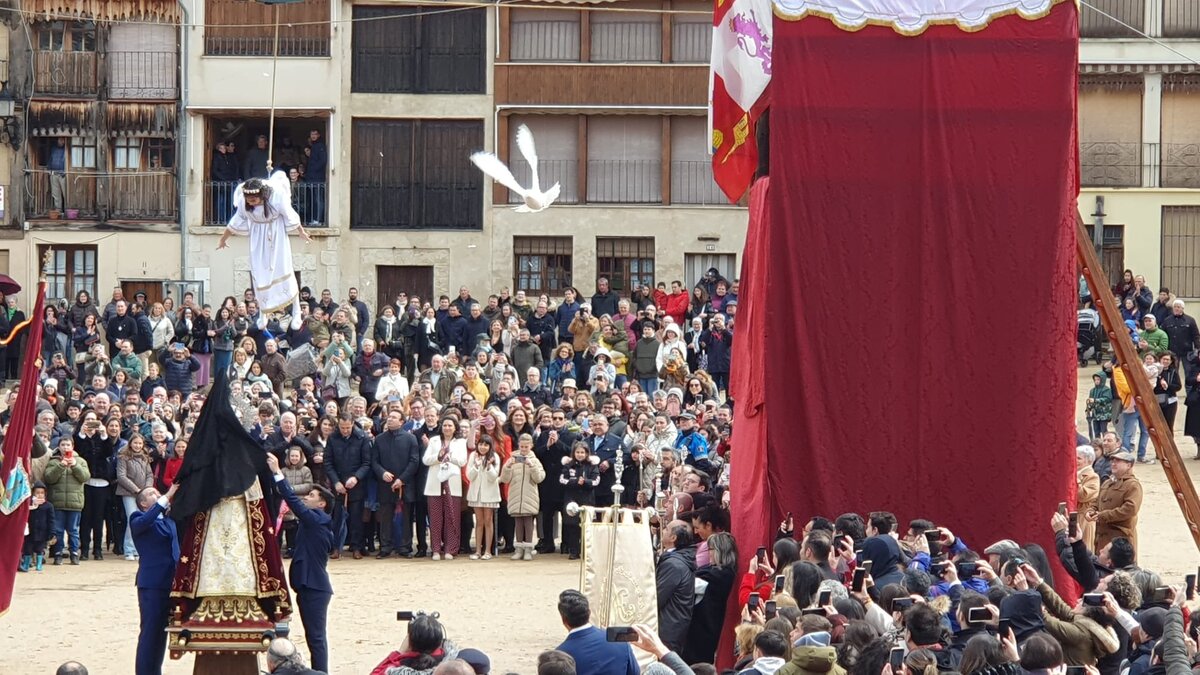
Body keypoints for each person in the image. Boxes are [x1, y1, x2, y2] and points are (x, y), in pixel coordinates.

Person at [267, 452, 335, 674]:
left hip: (314, 587)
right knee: (313, 637)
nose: (307, 497)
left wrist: (278, 473)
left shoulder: (317, 520)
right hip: (311, 586)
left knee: (316, 638)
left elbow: (295, 503)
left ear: (322, 503)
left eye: (312, 495)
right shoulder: (318, 521)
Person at [217, 174, 312, 331]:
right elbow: (235, 220)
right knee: (260, 275)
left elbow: (290, 215)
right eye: (249, 199)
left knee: (284, 269)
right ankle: (264, 312)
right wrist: (223, 239)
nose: (250, 202)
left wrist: (301, 232)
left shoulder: (276, 198)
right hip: (257, 237)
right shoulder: (243, 202)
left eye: (254, 199)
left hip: (277, 234)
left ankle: (296, 311)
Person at [130, 483, 181, 675]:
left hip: (170, 582)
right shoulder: (138, 518)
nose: (157, 494)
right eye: (152, 493)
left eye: (157, 492)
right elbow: (146, 521)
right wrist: (167, 495)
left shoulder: (169, 521)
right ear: (143, 503)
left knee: (162, 634)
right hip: (151, 583)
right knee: (150, 632)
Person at [371, 410, 421, 558]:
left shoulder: (410, 438)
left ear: (401, 421)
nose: (390, 419)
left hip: (405, 484)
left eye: (394, 417)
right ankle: (385, 546)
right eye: (389, 417)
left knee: (406, 517)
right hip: (385, 483)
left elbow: (414, 461)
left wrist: (402, 479)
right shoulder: (379, 439)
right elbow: (374, 461)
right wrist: (382, 473)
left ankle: (405, 547)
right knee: (385, 517)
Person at [555, 590, 640, 675]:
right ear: (589, 612)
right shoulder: (617, 637)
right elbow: (635, 672)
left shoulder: (559, 656)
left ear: (564, 620)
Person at [423, 417, 468, 560]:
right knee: (435, 519)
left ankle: (451, 549)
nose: (447, 428)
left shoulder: (461, 442)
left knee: (452, 517)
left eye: (450, 425)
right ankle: (436, 549)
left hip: (452, 484)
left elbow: (462, 461)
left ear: (455, 428)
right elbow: (425, 460)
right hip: (435, 483)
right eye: (445, 425)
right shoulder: (434, 440)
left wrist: (450, 456)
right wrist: (438, 456)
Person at [500, 432, 546, 561]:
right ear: (519, 445)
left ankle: (528, 549)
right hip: (515, 495)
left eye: (526, 446)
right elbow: (505, 478)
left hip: (529, 495)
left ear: (531, 446)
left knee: (528, 522)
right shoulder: (512, 458)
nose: (524, 449)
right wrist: (508, 466)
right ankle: (518, 548)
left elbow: (539, 478)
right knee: (518, 522)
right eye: (522, 446)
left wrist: (531, 466)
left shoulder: (535, 460)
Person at [45, 436, 90, 565]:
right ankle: (58, 553)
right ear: (59, 447)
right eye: (63, 445)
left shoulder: (80, 461)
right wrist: (60, 466)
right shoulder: (53, 461)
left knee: (73, 530)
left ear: (72, 446)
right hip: (57, 502)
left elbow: (85, 477)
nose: (65, 447)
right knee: (58, 530)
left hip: (75, 502)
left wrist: (74, 466)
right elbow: (49, 478)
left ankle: (74, 553)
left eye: (68, 445)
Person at [1088, 450, 1143, 554]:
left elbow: (1130, 509)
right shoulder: (1108, 483)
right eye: (1112, 461)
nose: (1113, 464)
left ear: (1129, 465)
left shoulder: (1133, 485)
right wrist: (1091, 510)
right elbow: (1096, 500)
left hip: (1121, 538)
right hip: (1102, 538)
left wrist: (1103, 515)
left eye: (1118, 461)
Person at [656, 519, 697, 654]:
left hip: (667, 629)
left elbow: (658, 598)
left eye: (666, 529)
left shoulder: (673, 564)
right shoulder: (679, 559)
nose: (663, 531)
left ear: (673, 538)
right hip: (674, 626)